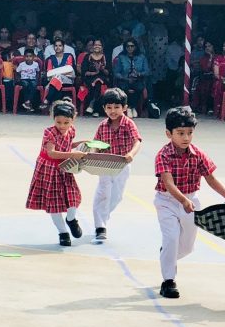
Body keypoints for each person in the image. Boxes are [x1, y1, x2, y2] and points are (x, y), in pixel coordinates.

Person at [154, 107, 225, 299]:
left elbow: (211, 179)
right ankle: (168, 281)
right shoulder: (163, 155)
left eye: (190, 133)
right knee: (171, 238)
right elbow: (168, 183)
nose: (186, 137)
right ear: (169, 134)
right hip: (167, 201)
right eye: (180, 133)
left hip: (191, 200)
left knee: (187, 247)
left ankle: (167, 253)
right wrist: (182, 200)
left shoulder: (198, 154)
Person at [26, 99, 85, 247]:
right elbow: (52, 153)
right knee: (54, 203)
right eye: (59, 122)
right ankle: (63, 233)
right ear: (53, 118)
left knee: (73, 197)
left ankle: (71, 219)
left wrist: (79, 144)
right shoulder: (49, 132)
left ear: (73, 119)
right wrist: (72, 154)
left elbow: (65, 145)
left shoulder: (71, 131)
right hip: (49, 168)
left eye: (66, 122)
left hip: (65, 167)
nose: (62, 126)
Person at [91, 88, 142, 243]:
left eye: (116, 107)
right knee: (103, 192)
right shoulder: (102, 126)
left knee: (117, 196)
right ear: (104, 108)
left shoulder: (129, 124)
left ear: (124, 108)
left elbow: (137, 141)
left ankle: (104, 216)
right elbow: (95, 143)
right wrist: (92, 154)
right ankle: (100, 226)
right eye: (109, 107)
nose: (113, 111)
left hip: (122, 164)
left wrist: (131, 154)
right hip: (105, 164)